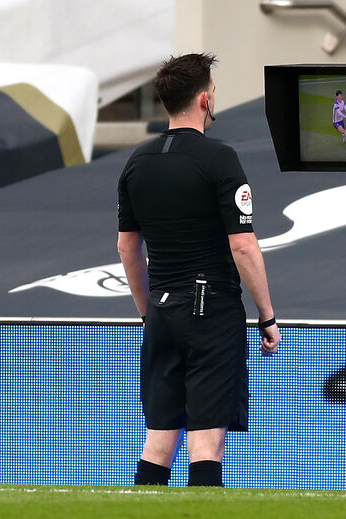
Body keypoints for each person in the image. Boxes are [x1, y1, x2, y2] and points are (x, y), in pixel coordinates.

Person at [116, 52, 281, 488]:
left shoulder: (137, 162)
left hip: (162, 314)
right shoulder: (219, 159)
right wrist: (267, 316)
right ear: (205, 100)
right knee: (206, 445)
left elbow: (127, 246)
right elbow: (243, 245)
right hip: (211, 312)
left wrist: (147, 311)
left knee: (158, 443)